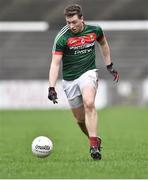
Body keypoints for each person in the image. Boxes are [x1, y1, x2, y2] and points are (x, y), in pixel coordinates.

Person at [48, 4, 119, 160]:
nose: (71, 25)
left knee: (89, 102)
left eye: (74, 22)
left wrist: (109, 65)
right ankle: (94, 138)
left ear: (82, 19)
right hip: (69, 80)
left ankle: (94, 147)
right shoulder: (62, 37)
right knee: (80, 120)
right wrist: (52, 87)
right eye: (68, 22)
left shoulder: (95, 30)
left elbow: (103, 44)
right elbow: (55, 63)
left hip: (88, 73)